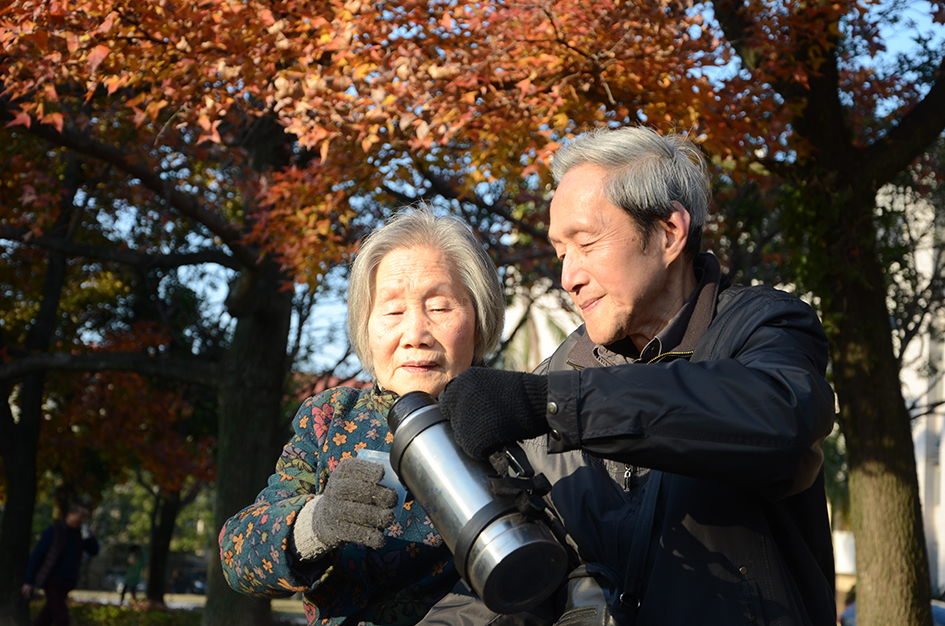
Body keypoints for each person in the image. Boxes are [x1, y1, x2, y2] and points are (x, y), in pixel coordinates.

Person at [437, 126, 837, 625]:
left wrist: (555, 406)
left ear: (669, 233)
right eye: (561, 253)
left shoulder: (764, 325)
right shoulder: (552, 380)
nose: (568, 277)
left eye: (585, 243)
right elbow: (506, 585)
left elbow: (781, 417)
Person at [219, 207, 506, 626]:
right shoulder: (331, 417)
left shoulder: (514, 417)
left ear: (479, 321)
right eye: (392, 312)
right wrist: (316, 522)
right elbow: (237, 556)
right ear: (366, 329)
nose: (415, 334)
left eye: (440, 308)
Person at [21, 503, 100, 626]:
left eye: (85, 517)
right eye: (80, 516)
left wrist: (91, 537)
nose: (82, 520)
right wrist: (29, 581)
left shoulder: (81, 534)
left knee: (46, 616)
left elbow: (93, 551)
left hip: (68, 581)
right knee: (62, 618)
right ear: (70, 515)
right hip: (53, 580)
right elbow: (37, 556)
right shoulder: (54, 531)